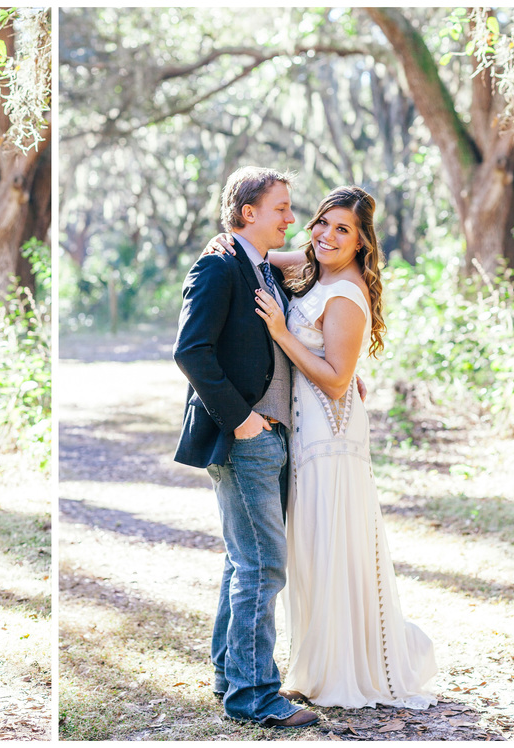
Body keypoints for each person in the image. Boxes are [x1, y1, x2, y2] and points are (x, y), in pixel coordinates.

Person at [207, 186, 437, 709]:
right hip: (303, 428)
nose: (327, 236)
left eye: (343, 231)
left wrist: (283, 333)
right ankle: (309, 660)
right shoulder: (314, 264)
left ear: (361, 244)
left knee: (328, 541)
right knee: (306, 544)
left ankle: (340, 665)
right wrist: (221, 242)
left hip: (330, 435)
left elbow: (337, 381)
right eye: (322, 223)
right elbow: (254, 252)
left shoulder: (348, 292)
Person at [173, 167, 318, 728]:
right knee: (262, 565)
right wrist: (241, 422)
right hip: (246, 437)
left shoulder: (260, 265)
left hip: (274, 433)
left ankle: (228, 673)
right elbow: (191, 351)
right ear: (248, 212)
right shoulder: (217, 266)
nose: (291, 217)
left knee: (245, 562)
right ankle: (254, 696)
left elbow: (318, 260)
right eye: (281, 207)